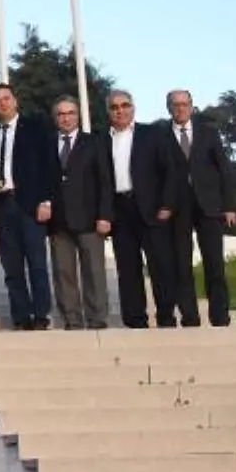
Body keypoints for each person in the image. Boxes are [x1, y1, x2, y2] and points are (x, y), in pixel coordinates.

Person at [99, 90, 179, 329]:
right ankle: (135, 320)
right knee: (127, 269)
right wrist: (104, 214)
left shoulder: (152, 134)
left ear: (133, 108)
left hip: (152, 210)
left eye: (125, 105)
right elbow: (101, 180)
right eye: (114, 107)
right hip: (120, 210)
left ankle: (166, 318)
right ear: (109, 112)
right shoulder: (101, 139)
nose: (120, 110)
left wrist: (167, 205)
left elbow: (171, 171)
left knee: (160, 266)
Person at [163, 89, 236, 327]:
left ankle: (220, 316)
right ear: (169, 108)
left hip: (210, 206)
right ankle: (190, 317)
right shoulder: (160, 135)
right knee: (181, 265)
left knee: (214, 264)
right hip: (178, 208)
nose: (180, 108)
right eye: (175, 105)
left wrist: (229, 206)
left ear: (192, 107)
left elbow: (224, 170)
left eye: (185, 104)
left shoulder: (208, 133)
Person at [0, 83, 57, 331]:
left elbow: (50, 165)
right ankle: (21, 316)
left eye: (6, 98)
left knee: (37, 264)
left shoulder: (35, 129)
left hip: (30, 204)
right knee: (12, 267)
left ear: (15, 101)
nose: (2, 103)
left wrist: (46, 201)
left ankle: (41, 315)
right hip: (3, 204)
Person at [47, 97, 113, 330]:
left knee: (94, 272)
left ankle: (97, 319)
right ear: (55, 118)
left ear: (78, 116)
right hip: (58, 221)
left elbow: (105, 182)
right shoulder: (47, 145)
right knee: (63, 273)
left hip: (90, 219)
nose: (66, 118)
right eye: (61, 114)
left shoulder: (93, 143)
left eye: (70, 113)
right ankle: (72, 319)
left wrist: (105, 215)